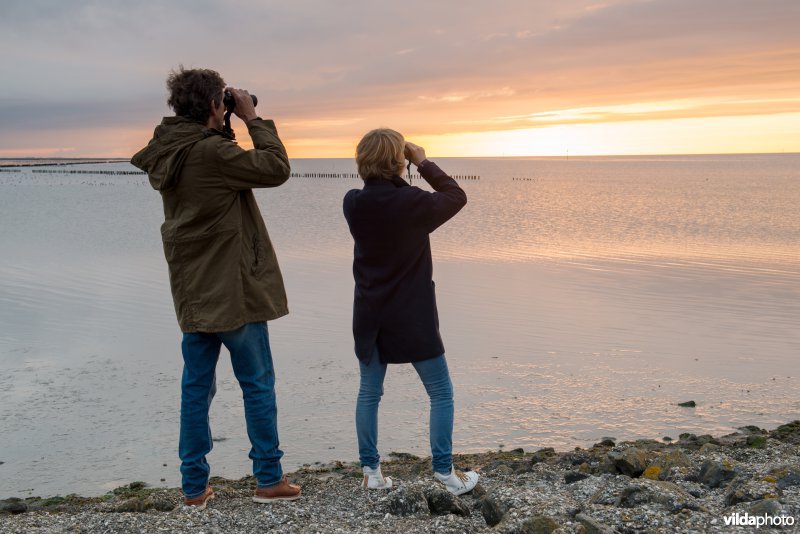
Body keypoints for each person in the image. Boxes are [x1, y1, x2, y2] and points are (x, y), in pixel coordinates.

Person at [131, 67, 300, 508]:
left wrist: (225, 129)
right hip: (234, 293)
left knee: (195, 390)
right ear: (213, 105)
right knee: (257, 384)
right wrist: (251, 120)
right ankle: (268, 479)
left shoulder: (171, 151)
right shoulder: (211, 153)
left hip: (192, 290)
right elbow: (276, 168)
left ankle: (193, 488)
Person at [342, 128, 479, 495]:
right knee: (441, 393)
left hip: (369, 312)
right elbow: (456, 195)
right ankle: (445, 473)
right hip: (412, 314)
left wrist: (398, 169)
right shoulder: (414, 203)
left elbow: (383, 197)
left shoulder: (353, 202)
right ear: (397, 162)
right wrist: (422, 161)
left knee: (369, 393)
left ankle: (371, 472)